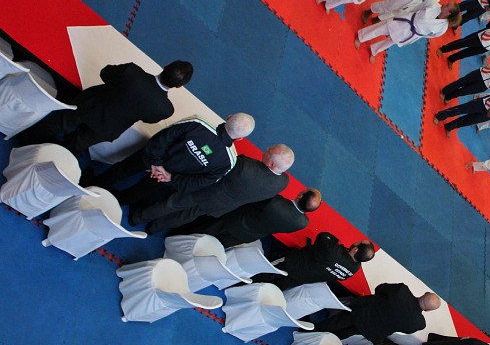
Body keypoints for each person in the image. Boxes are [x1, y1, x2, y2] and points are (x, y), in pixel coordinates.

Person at [20, 60, 194, 156]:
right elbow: (148, 119)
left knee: (59, 123)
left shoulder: (132, 72)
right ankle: (52, 158)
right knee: (76, 145)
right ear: (179, 86)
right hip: (108, 128)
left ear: (165, 65)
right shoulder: (165, 109)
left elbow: (105, 73)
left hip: (90, 104)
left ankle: (26, 142)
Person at [85, 114, 254, 205]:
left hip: (152, 159)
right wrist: (170, 177)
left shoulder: (197, 124)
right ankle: (114, 204)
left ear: (228, 117)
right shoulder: (228, 162)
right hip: (165, 177)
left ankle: (91, 186)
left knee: (121, 171)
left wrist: (156, 162)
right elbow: (201, 182)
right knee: (139, 191)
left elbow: (163, 137)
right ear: (241, 139)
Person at [129, 144, 294, 233]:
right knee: (187, 215)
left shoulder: (245, 166)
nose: (266, 149)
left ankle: (138, 218)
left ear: (271, 163)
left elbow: (221, 169)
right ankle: (154, 228)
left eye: (269, 151)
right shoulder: (283, 182)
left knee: (172, 203)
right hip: (221, 205)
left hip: (204, 192)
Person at [174, 188, 322, 247]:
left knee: (196, 230)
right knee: (211, 246)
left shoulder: (275, 202)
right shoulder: (302, 223)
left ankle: (174, 239)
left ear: (300, 195)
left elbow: (251, 200)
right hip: (244, 236)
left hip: (231, 221)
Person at [313, 283, 441, 345]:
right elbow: (404, 330)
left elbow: (380, 288)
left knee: (336, 322)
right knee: (345, 332)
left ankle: (312, 331)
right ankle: (319, 341)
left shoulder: (401, 291)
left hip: (362, 310)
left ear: (424, 294)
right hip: (371, 330)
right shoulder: (418, 323)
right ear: (428, 310)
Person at [255, 231, 375, 289]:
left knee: (262, 273)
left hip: (291, 263)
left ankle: (246, 280)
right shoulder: (354, 269)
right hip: (300, 279)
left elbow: (323, 236)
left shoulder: (333, 251)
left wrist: (337, 243)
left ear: (355, 250)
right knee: (272, 288)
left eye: (358, 242)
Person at [356, 1, 461, 61]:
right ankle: (361, 37)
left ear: (449, 13)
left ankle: (374, 50)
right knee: (381, 28)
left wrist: (419, 33)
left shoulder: (443, 27)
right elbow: (418, 7)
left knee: (391, 41)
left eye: (447, 6)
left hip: (413, 33)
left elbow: (431, 35)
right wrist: (408, 15)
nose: (444, 4)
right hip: (407, 19)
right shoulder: (434, 5)